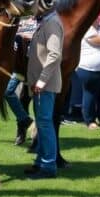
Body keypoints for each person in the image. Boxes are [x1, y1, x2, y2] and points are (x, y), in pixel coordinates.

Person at [24, 9, 63, 179]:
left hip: (44, 85)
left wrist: (42, 80)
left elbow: (54, 54)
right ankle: (41, 162)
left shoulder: (52, 23)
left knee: (45, 124)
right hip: (39, 85)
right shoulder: (46, 22)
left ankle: (48, 166)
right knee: (41, 124)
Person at [5, 15, 37, 145]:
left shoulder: (41, 22)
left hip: (34, 68)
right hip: (19, 68)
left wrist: (32, 38)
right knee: (7, 91)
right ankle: (24, 124)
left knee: (32, 100)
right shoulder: (19, 21)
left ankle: (36, 135)